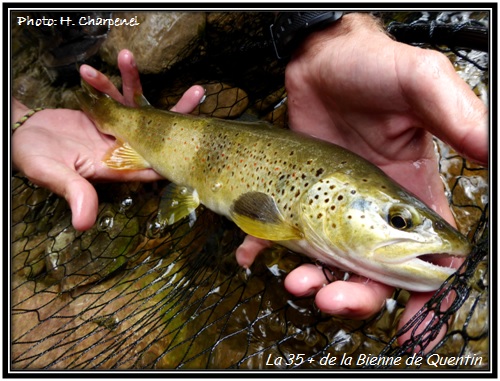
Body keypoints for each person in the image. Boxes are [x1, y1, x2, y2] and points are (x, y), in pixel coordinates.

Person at [12, 13, 488, 352]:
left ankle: (66, 62)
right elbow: (252, 215)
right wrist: (18, 119)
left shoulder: (318, 204)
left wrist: (327, 31)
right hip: (166, 136)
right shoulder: (287, 221)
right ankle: (61, 48)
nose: (405, 225)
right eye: (399, 219)